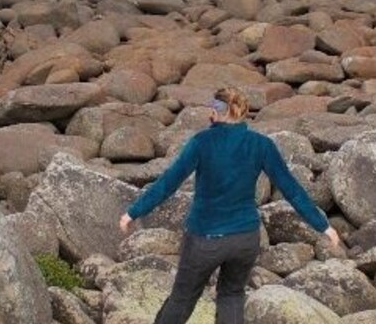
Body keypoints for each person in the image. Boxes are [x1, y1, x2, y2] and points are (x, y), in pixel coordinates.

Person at [119, 87, 341, 324]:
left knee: (182, 300)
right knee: (232, 296)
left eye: (211, 108)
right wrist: (323, 226)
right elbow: (291, 189)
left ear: (217, 110)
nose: (208, 114)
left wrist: (134, 211)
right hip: (245, 239)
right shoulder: (261, 144)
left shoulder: (202, 142)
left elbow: (168, 183)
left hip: (205, 238)